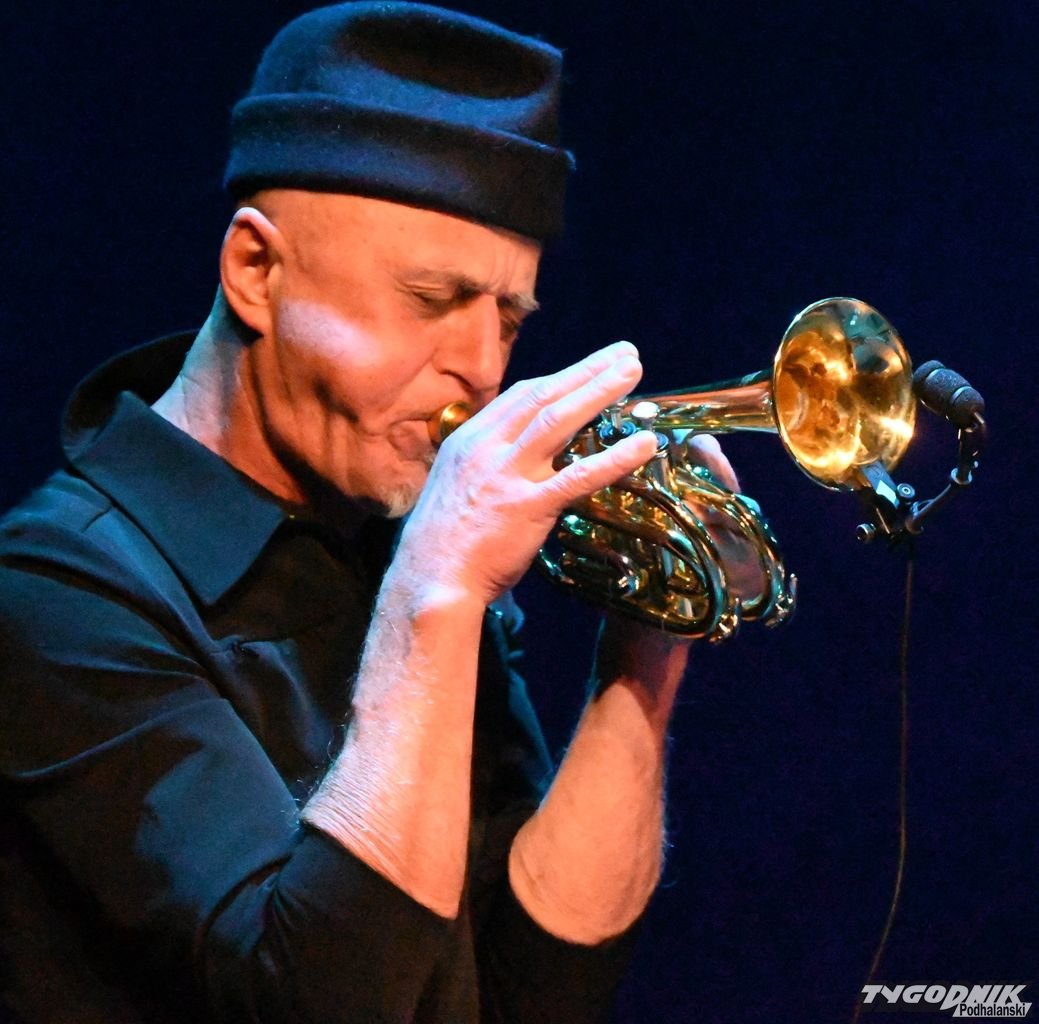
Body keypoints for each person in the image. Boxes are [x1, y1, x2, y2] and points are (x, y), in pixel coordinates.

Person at [0, 4, 746, 1022]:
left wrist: (646, 654)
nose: (480, 369)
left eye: (507, 318)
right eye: (432, 300)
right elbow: (319, 998)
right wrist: (435, 592)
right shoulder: (51, 594)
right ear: (256, 271)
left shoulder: (396, 545)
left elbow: (540, 992)